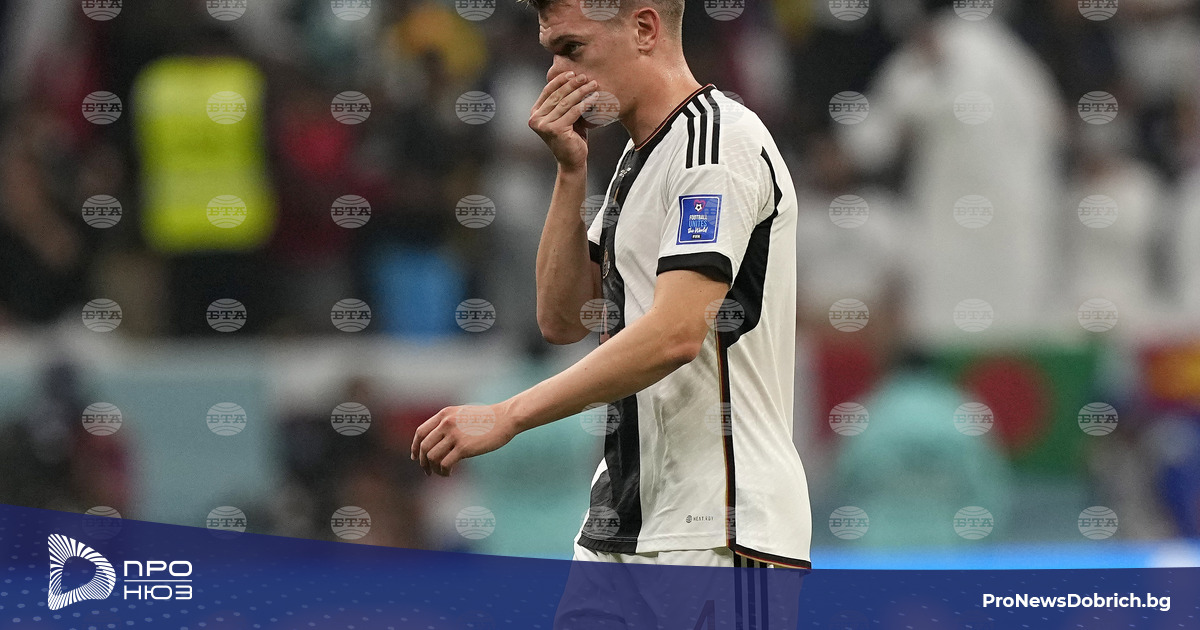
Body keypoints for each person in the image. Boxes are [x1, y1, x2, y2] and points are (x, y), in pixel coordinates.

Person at [411, 0, 810, 580]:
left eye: (572, 49)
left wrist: (510, 414)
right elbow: (563, 319)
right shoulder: (638, 156)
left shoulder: (717, 146)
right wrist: (570, 172)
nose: (556, 75)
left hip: (718, 522)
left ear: (644, 29)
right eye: (551, 54)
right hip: (622, 518)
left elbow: (675, 334)